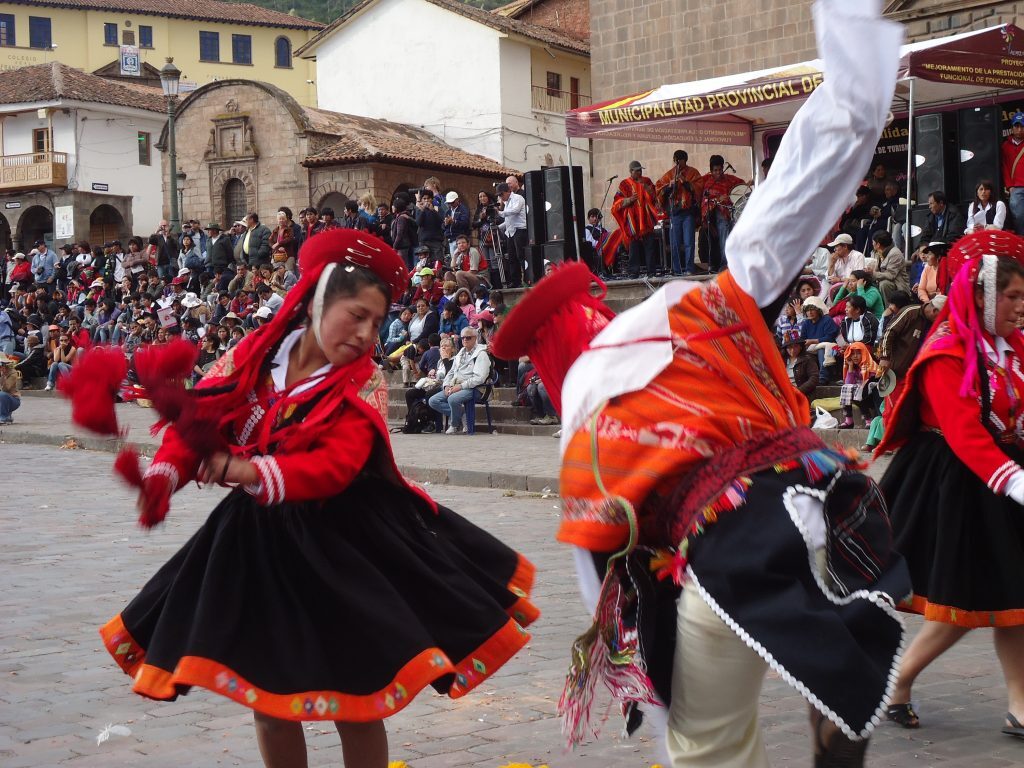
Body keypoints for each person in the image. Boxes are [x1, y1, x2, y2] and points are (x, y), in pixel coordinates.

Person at [491, 4, 909, 764]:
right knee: (800, 612)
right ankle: (831, 676)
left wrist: (659, 709)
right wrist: (852, 48)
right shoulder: (702, 301)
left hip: (729, 544)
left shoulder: (586, 417)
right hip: (828, 498)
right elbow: (800, 187)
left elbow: (603, 570)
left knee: (706, 743)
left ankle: (801, 690)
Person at [68, 229, 538, 768]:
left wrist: (243, 467)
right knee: (268, 698)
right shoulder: (254, 356)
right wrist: (164, 477)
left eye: (377, 323)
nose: (365, 334)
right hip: (259, 544)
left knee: (357, 700)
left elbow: (333, 467)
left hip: (346, 545)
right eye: (355, 314)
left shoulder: (364, 382)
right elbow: (201, 416)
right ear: (317, 301)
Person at [877, 230, 1024, 740]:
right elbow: (963, 432)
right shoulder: (946, 351)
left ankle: (1021, 706)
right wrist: (1016, 481)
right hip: (955, 486)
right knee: (964, 600)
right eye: (1011, 296)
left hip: (1001, 481)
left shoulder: (1011, 348)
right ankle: (898, 679)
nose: (1020, 306)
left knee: (1015, 599)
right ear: (983, 295)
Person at [427, 325, 491, 434]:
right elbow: (451, 372)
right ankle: (462, 415)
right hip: (455, 385)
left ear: (475, 338)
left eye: (468, 337)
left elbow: (479, 378)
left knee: (453, 399)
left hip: (476, 388)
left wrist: (461, 386)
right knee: (433, 401)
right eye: (463, 338)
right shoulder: (461, 352)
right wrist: (446, 385)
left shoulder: (481, 354)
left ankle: (454, 425)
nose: (465, 340)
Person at [656, 150, 702, 275]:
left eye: (680, 160)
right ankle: (676, 270)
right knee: (674, 243)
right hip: (674, 213)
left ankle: (689, 269)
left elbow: (698, 189)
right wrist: (669, 185)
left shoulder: (693, 172)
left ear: (685, 160)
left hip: (688, 213)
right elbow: (659, 188)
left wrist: (685, 182)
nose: (677, 163)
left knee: (689, 243)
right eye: (675, 160)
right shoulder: (670, 174)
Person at [613, 161, 660, 279]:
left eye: (641, 170)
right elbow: (616, 202)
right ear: (631, 171)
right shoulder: (624, 184)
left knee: (650, 247)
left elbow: (655, 197)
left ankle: (651, 272)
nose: (640, 172)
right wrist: (629, 200)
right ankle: (634, 272)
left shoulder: (647, 181)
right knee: (634, 248)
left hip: (647, 220)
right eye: (637, 170)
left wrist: (646, 187)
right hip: (633, 222)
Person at [698, 155, 747, 269]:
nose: (718, 172)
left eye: (720, 170)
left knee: (735, 239)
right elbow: (705, 201)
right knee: (724, 238)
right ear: (711, 171)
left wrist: (748, 184)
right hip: (719, 216)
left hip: (733, 213)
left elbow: (741, 186)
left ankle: (737, 264)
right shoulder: (708, 182)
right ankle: (724, 264)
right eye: (715, 170)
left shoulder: (730, 179)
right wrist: (717, 201)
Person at [494, 182, 525, 288]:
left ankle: (526, 279)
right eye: (499, 195)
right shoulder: (506, 202)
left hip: (520, 230)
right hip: (510, 231)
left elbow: (515, 211)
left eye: (501, 194)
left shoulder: (518, 198)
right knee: (511, 257)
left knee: (521, 255)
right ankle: (515, 281)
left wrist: (500, 213)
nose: (500, 197)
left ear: (508, 191)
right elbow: (508, 220)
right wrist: (497, 228)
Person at [869, 230, 908, 302]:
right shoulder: (878, 252)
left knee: (884, 284)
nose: (872, 243)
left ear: (878, 244)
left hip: (898, 285)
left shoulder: (895, 254)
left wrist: (873, 273)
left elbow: (891, 275)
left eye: (873, 242)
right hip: (882, 281)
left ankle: (890, 309)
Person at [1002, 111, 1024, 236]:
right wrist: (1009, 186)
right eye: (1017, 126)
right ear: (1012, 128)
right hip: (1016, 187)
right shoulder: (1005, 146)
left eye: (1022, 126)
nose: (1020, 129)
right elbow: (1004, 167)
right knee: (1019, 215)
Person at [0, 352, 20, 424]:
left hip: (13, 400)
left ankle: (4, 417)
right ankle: (7, 416)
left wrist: (3, 376)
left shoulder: (12, 373)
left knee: (1, 394)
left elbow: (5, 389)